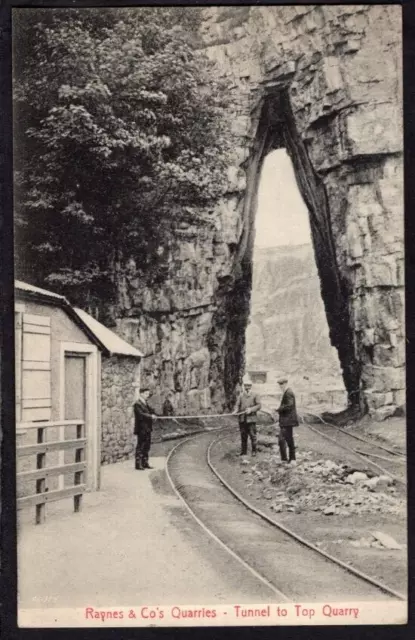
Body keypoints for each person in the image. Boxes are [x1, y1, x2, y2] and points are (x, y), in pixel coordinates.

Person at [234, 375, 261, 456]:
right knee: (243, 435)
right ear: (244, 386)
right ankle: (243, 452)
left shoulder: (255, 395)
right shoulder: (241, 395)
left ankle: (254, 451)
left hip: (251, 419)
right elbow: (237, 404)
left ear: (251, 386)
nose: (247, 387)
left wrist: (251, 409)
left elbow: (259, 405)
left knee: (253, 435)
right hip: (242, 419)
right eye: (246, 385)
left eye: (249, 386)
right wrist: (235, 410)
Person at [276, 377, 299, 464]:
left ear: (286, 383)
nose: (280, 386)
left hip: (287, 421)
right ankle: (292, 459)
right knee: (289, 439)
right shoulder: (287, 391)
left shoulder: (288, 392)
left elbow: (289, 405)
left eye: (281, 384)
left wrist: (279, 409)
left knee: (281, 439)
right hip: (288, 420)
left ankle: (284, 459)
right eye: (279, 384)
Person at [133, 387, 156, 470]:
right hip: (141, 429)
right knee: (141, 446)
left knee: (147, 446)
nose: (147, 395)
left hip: (147, 428)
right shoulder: (137, 404)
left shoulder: (145, 403)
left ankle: (145, 463)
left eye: (148, 394)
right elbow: (141, 415)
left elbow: (151, 411)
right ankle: (138, 464)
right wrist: (151, 416)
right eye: (146, 394)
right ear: (141, 393)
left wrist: (153, 414)